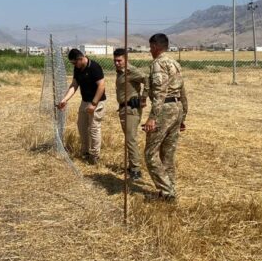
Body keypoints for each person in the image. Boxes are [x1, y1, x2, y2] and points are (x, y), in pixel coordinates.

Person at [143, 33, 188, 201]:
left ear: (155, 47)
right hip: (177, 108)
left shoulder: (158, 64)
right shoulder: (175, 64)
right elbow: (182, 91)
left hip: (165, 109)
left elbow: (160, 92)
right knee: (167, 154)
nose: (149, 50)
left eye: (150, 47)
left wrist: (153, 117)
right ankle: (169, 191)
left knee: (150, 153)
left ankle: (167, 191)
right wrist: (183, 116)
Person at [57, 48, 107, 164]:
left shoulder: (94, 67)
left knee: (94, 128)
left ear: (80, 59)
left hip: (97, 102)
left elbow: (101, 86)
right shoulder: (77, 68)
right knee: (82, 126)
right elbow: (74, 84)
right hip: (85, 101)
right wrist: (65, 100)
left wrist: (94, 104)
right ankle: (85, 152)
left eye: (74, 62)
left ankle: (94, 156)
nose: (74, 65)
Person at [113, 48, 147, 180]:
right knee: (128, 138)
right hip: (123, 109)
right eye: (115, 60)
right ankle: (132, 165)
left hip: (131, 109)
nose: (116, 63)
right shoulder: (120, 72)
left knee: (130, 139)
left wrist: (143, 97)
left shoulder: (131, 71)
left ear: (126, 59)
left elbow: (148, 80)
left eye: (119, 60)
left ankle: (136, 170)